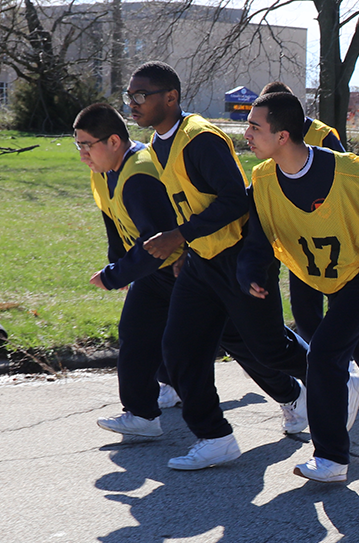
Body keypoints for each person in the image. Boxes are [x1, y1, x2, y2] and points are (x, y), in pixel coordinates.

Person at [238, 90, 359, 483]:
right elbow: (258, 237)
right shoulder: (262, 179)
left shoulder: (348, 172)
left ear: (282, 136)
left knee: (324, 356)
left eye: (255, 127)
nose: (247, 134)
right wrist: (254, 273)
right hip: (321, 276)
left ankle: (331, 458)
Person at [124, 61, 310, 471]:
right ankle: (215, 437)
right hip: (202, 260)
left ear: (170, 98)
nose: (133, 103)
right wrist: (185, 250)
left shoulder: (199, 138)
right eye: (130, 95)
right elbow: (187, 203)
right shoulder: (158, 144)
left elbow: (234, 201)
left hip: (240, 255)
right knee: (179, 348)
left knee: (266, 345)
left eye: (142, 95)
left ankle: (330, 375)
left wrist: (179, 237)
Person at [73, 101, 181, 441]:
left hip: (183, 269)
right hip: (156, 272)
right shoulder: (104, 172)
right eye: (78, 146)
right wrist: (117, 264)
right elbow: (114, 222)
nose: (83, 154)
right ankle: (143, 414)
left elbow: (155, 245)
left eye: (87, 145)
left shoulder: (139, 176)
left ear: (114, 141)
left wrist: (115, 275)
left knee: (242, 338)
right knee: (137, 334)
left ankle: (298, 390)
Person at [258, 81, 349, 340]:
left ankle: (343, 364)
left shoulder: (323, 136)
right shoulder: (270, 135)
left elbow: (344, 183)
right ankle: (318, 365)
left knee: (341, 306)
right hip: (298, 239)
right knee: (303, 309)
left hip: (332, 238)